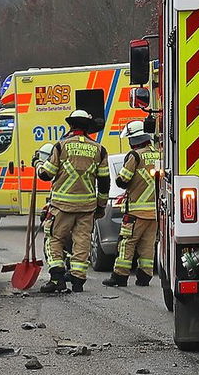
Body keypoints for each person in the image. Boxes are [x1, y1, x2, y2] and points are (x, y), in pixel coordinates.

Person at [36, 109, 109, 293]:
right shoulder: (99, 149)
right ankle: (78, 280)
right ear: (88, 128)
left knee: (54, 238)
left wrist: (37, 164)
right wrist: (100, 206)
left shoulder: (61, 146)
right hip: (87, 207)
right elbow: (104, 182)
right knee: (82, 242)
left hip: (62, 206)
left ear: (71, 125)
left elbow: (47, 174)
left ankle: (57, 278)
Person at [104, 119, 158, 287]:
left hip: (136, 212)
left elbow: (123, 180)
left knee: (127, 243)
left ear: (134, 139)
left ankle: (120, 276)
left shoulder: (134, 156)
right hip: (155, 212)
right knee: (148, 246)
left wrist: (120, 178)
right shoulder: (159, 154)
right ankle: (144, 276)